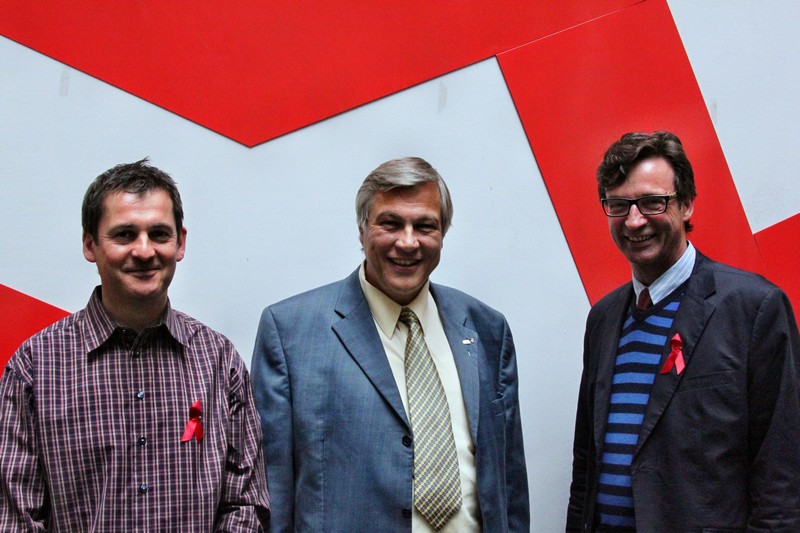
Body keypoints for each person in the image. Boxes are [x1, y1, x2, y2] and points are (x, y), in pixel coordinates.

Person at [252, 157, 529, 532]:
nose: (408, 242)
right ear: (362, 229)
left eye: (425, 226)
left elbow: (509, 484)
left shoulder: (487, 329)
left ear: (443, 233)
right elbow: (273, 491)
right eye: (391, 223)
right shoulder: (290, 333)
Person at [0, 159, 270, 531]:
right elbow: (16, 518)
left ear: (180, 243)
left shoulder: (219, 362)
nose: (144, 251)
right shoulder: (35, 368)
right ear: (90, 244)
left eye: (159, 234)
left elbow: (246, 504)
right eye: (125, 235)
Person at [567, 131, 800, 532]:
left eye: (652, 202)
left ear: (687, 203)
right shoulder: (603, 319)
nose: (634, 221)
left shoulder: (754, 308)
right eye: (619, 205)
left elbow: (782, 473)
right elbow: (586, 466)